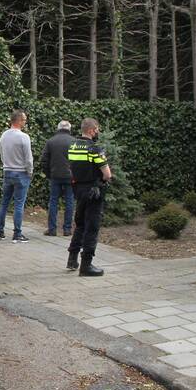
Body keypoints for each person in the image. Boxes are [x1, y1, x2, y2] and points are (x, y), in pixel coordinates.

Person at [66, 118, 112, 276]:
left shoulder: (72, 146)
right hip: (94, 191)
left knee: (79, 224)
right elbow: (107, 174)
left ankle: (72, 258)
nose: (98, 132)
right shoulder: (95, 149)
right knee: (92, 227)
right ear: (92, 130)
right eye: (97, 129)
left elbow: (72, 169)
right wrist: (101, 181)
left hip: (78, 190)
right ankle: (86, 265)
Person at [0, 110, 32, 243]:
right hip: (21, 172)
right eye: (24, 119)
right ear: (19, 121)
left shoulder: (4, 135)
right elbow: (28, 158)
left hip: (7, 171)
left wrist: (6, 165)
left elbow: (2, 154)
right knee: (19, 204)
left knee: (4, 203)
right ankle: (17, 234)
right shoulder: (24, 137)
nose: (25, 122)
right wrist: (30, 171)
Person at [40, 120, 74, 236]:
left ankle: (52, 229)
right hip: (70, 176)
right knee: (69, 201)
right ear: (69, 129)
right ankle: (67, 229)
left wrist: (49, 174)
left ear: (58, 128)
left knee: (53, 201)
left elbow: (44, 160)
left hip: (55, 176)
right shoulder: (74, 141)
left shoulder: (51, 141)